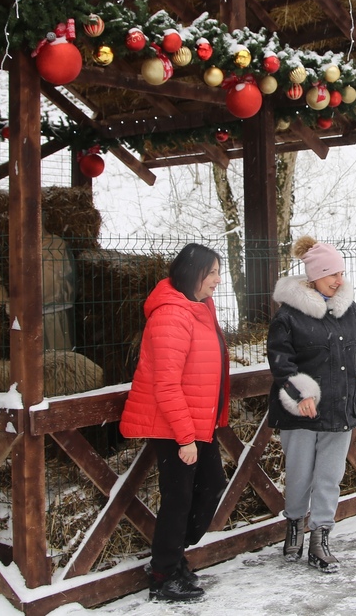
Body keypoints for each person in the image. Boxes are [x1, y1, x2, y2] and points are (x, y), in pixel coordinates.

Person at [119, 243, 230, 602]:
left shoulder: (199, 309)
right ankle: (165, 572)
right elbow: (165, 383)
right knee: (178, 499)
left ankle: (171, 555)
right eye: (211, 272)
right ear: (191, 272)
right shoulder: (171, 314)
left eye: (218, 271)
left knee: (212, 485)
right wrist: (185, 438)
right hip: (174, 426)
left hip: (198, 423)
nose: (217, 279)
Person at [268, 236, 356, 574]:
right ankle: (293, 526)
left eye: (341, 273)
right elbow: (280, 360)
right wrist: (301, 394)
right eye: (332, 274)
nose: (339, 280)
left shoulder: (350, 309)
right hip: (303, 412)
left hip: (341, 408)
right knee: (299, 476)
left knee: (330, 477)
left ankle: (320, 540)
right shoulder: (289, 315)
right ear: (314, 276)